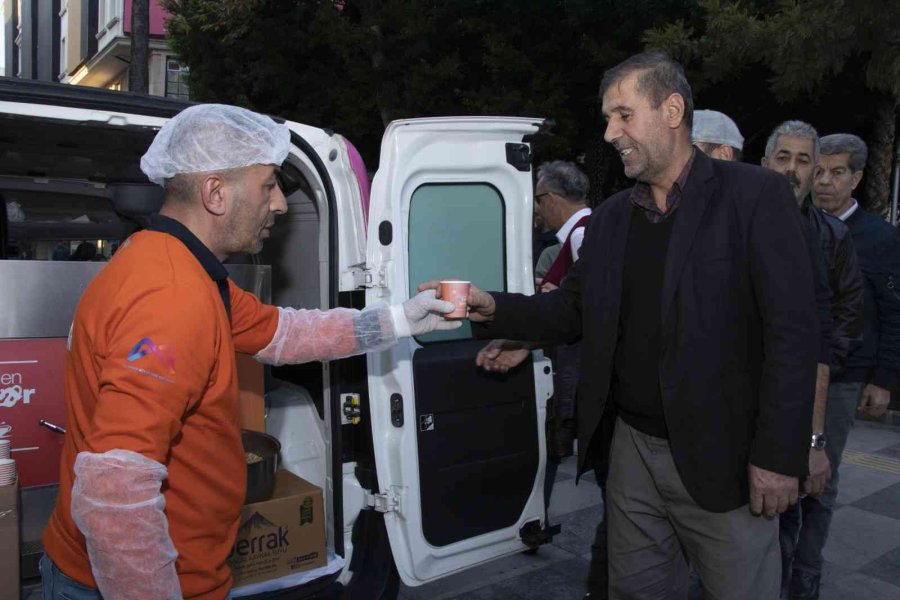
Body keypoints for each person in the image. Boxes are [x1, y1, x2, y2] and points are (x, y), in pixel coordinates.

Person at [432, 51, 819, 599]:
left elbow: (794, 334)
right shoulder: (613, 218)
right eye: (607, 118)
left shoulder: (754, 197)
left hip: (725, 458)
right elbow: (573, 309)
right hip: (631, 452)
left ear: (672, 109)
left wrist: (780, 457)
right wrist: (492, 307)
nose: (611, 132)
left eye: (623, 114)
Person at [39, 104, 460, 600]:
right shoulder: (171, 297)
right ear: (216, 193)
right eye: (268, 185)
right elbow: (114, 488)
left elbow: (281, 334)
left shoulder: (178, 265)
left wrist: (399, 320)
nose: (280, 204)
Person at [791, 132, 900, 599]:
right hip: (790, 372)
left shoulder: (879, 237)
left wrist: (883, 379)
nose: (825, 182)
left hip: (843, 376)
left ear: (857, 178)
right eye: (819, 171)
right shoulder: (795, 223)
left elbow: (893, 312)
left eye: (838, 173)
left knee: (820, 480)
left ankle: (805, 576)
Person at [761, 121, 865, 600]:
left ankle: (800, 578)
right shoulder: (742, 222)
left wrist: (814, 370)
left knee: (809, 488)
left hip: (815, 385)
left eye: (804, 160)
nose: (793, 169)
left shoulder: (833, 236)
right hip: (753, 385)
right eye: (784, 157)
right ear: (766, 164)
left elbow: (844, 315)